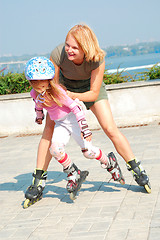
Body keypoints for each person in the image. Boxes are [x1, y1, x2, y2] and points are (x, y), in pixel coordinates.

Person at [31, 24, 151, 194]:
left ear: (86, 47)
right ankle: (38, 179)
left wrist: (71, 96)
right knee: (49, 130)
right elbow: (53, 85)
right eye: (67, 45)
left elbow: (94, 94)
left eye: (74, 47)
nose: (69, 50)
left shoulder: (97, 58)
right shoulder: (58, 54)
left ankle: (136, 168)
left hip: (90, 90)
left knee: (110, 129)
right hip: (64, 89)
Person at [24, 56, 125, 206]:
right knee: (55, 149)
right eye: (33, 81)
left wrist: (85, 129)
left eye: (41, 80)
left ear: (49, 79)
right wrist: (39, 115)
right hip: (61, 123)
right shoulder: (35, 92)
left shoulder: (57, 92)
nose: (37, 85)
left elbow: (76, 108)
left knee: (88, 153)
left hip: (74, 120)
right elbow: (38, 104)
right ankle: (73, 172)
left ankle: (110, 162)